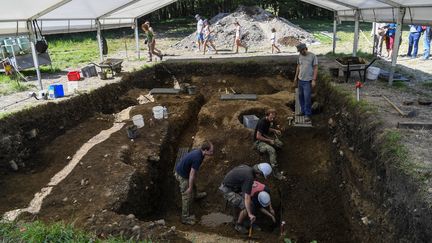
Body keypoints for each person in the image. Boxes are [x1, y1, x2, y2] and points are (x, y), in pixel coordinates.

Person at [219, 163, 272, 234]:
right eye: (262, 176)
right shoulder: (249, 178)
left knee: (250, 204)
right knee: (246, 206)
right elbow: (247, 197)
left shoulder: (248, 169)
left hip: (234, 187)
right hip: (227, 189)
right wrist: (250, 214)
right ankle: (238, 225)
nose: (260, 178)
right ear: (259, 173)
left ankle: (247, 222)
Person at [174, 141, 214, 225]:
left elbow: (192, 172)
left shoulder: (200, 152)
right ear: (205, 150)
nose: (212, 153)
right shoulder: (198, 158)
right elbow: (191, 174)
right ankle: (185, 218)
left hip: (185, 172)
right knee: (186, 196)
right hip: (182, 176)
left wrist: (192, 183)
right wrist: (189, 187)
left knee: (193, 183)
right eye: (211, 151)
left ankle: (196, 195)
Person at [253, 109, 284, 180]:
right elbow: (258, 136)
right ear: (267, 115)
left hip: (265, 137)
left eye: (274, 117)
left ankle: (269, 148)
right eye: (271, 117)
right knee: (272, 150)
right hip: (258, 141)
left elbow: (267, 128)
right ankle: (276, 172)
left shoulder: (268, 121)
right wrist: (269, 140)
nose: (272, 118)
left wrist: (275, 130)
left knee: (280, 144)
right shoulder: (262, 122)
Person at [294, 43, 318, 123]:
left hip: (308, 81)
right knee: (300, 96)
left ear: (305, 48)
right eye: (299, 51)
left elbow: (315, 68)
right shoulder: (300, 56)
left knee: (307, 97)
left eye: (302, 50)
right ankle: (303, 111)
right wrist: (295, 77)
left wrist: (314, 80)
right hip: (300, 79)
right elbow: (298, 66)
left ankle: (307, 114)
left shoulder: (312, 56)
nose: (301, 52)